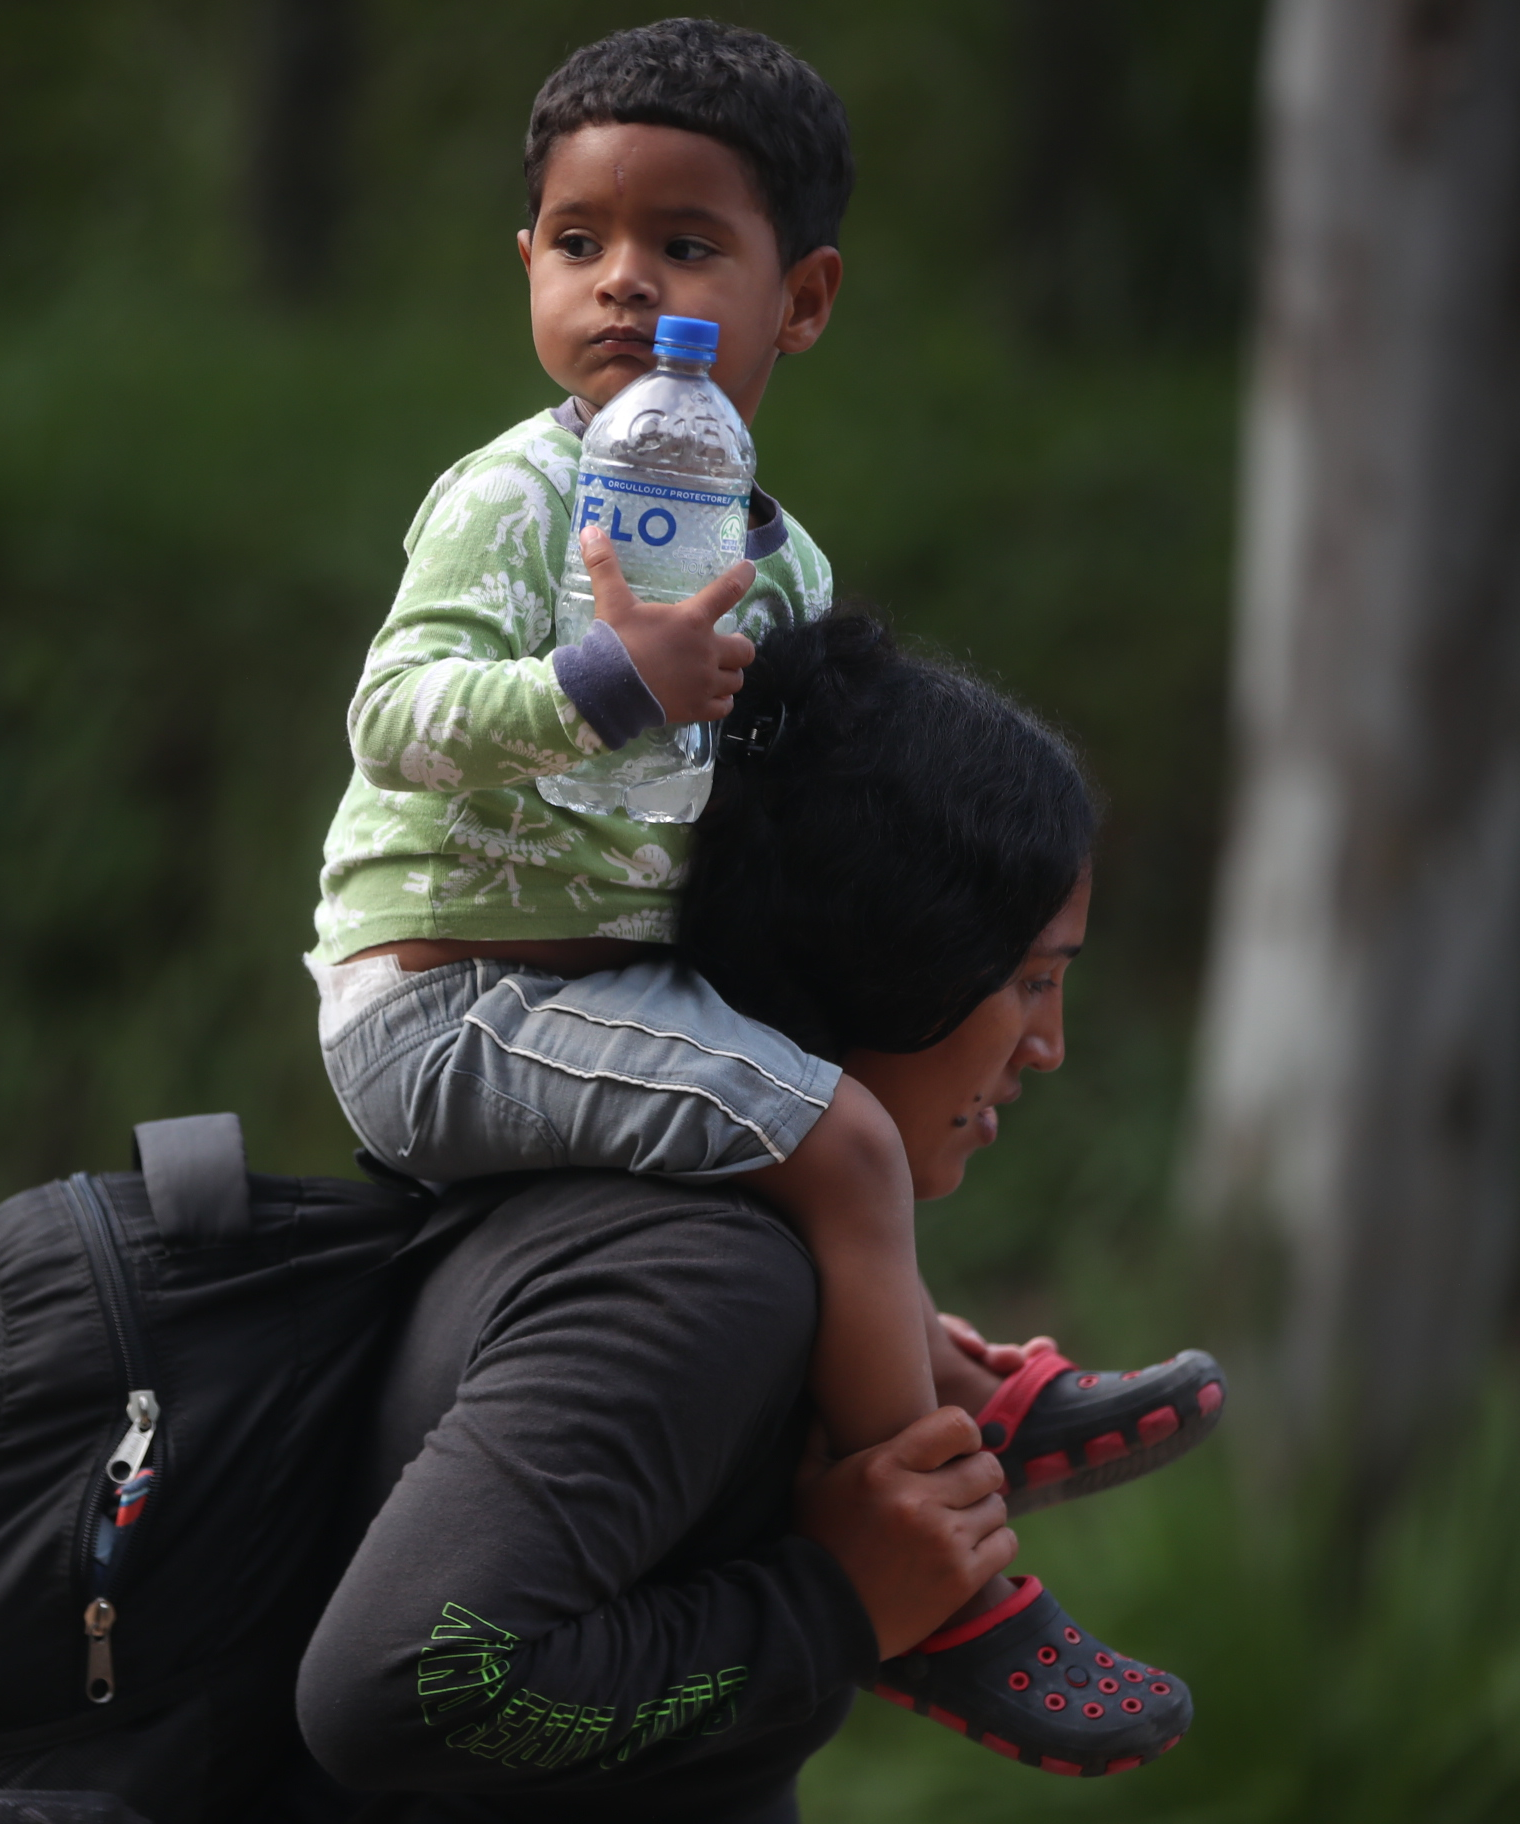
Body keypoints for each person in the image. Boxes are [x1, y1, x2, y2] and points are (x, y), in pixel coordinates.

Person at [305, 10, 1217, 1643]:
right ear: (523, 266)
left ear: (804, 299)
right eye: (579, 243)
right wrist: (601, 682)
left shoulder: (780, 564)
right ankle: (943, 1583)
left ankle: (953, 1381)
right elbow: (392, 717)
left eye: (685, 243)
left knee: (827, 1117)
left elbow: (801, 824)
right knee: (842, 1139)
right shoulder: (507, 501)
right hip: (450, 999)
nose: (624, 281)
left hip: (633, 992)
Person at [295, 617, 1206, 1820]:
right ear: (893, 956)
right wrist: (835, 1605)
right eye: (1030, 979)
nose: (1048, 1047)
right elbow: (393, 1691)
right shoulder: (704, 1280)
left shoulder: (666, 1218)